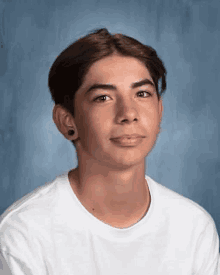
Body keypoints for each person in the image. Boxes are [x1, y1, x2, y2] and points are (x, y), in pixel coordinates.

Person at [0, 28, 219, 275]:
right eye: (103, 98)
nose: (128, 114)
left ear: (159, 110)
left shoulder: (193, 227)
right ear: (67, 121)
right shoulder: (23, 233)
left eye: (142, 93)